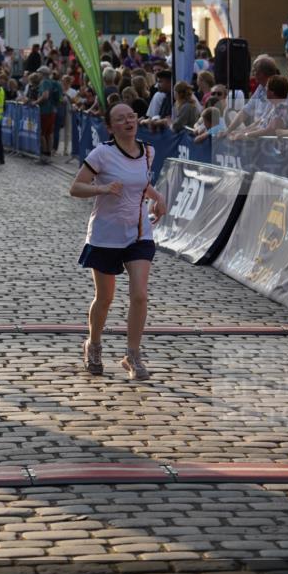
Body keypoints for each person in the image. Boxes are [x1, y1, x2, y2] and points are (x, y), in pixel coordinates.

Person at [70, 103, 167, 380]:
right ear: (110, 127)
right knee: (105, 298)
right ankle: (93, 344)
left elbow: (141, 183)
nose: (128, 121)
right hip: (106, 235)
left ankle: (133, 355)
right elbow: (76, 187)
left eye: (131, 117)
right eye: (121, 119)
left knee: (140, 295)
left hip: (138, 234)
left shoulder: (148, 151)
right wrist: (102, 188)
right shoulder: (102, 154)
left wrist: (158, 197)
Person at [222, 55, 279, 137]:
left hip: (266, 135)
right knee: (229, 113)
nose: (252, 74)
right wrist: (229, 131)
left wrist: (244, 133)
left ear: (261, 73)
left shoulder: (276, 90)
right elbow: (246, 111)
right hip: (257, 131)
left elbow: (263, 121)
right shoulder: (261, 87)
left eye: (254, 71)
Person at [32, 65, 59, 163]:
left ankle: (44, 156)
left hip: (45, 111)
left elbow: (45, 96)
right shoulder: (51, 82)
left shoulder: (44, 82)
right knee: (48, 134)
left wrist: (35, 102)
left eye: (38, 73)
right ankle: (48, 155)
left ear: (42, 74)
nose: (37, 75)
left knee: (42, 133)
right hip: (51, 110)